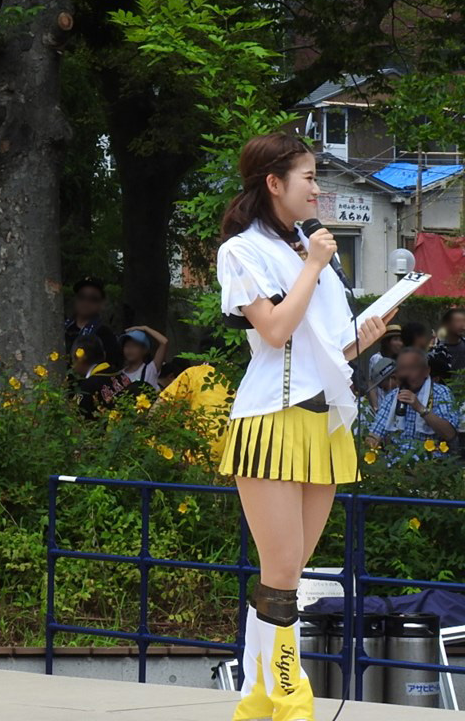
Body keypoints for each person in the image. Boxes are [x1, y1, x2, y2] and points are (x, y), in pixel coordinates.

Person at [215, 133, 388, 721]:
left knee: (283, 574)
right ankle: (291, 694)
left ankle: (256, 697)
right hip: (271, 417)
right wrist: (313, 264)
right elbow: (273, 331)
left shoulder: (313, 252)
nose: (317, 188)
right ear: (274, 183)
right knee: (284, 572)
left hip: (326, 420)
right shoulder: (243, 250)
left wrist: (365, 335)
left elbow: (328, 349)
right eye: (309, 177)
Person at [367, 347, 459, 456]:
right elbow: (376, 432)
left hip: (429, 461)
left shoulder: (441, 393)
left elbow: (450, 435)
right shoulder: (393, 396)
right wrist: (371, 442)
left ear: (426, 371)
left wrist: (420, 408)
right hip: (397, 461)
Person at [157, 362, 234, 462]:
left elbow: (157, 410)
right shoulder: (243, 381)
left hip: (194, 459)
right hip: (229, 463)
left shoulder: (196, 373)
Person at [65, 277, 121, 368]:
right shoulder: (62, 329)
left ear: (102, 303)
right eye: (81, 297)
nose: (86, 302)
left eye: (93, 298)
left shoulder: (105, 334)